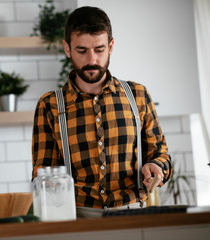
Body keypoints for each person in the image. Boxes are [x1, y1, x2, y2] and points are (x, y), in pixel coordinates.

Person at [32, 6, 171, 213]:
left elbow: (160, 153)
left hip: (134, 213)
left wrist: (157, 167)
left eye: (99, 49)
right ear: (67, 48)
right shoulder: (49, 105)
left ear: (111, 46)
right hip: (77, 217)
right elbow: (42, 175)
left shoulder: (137, 95)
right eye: (81, 51)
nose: (92, 60)